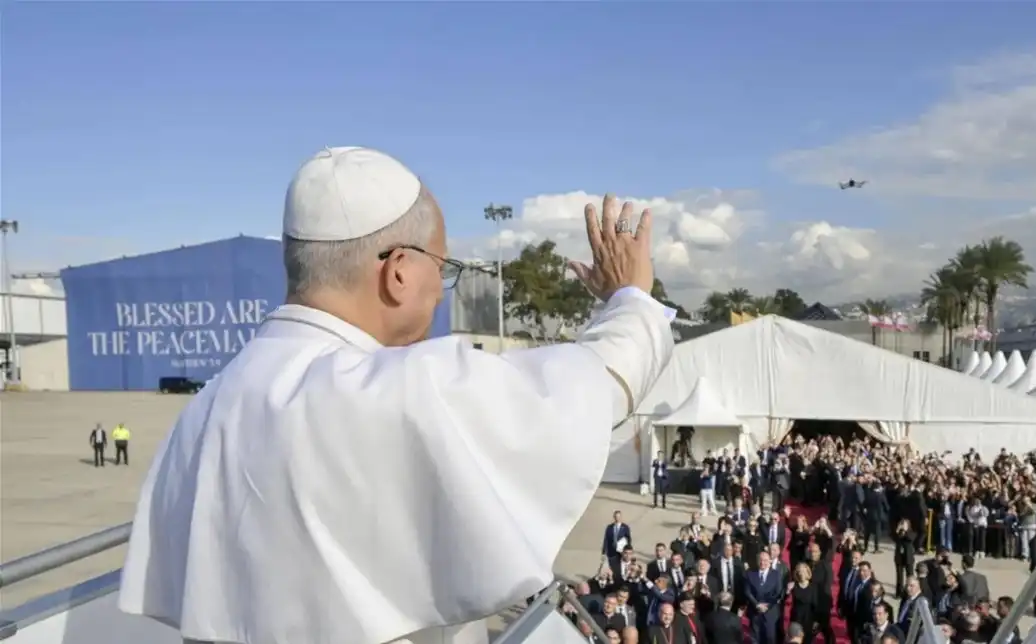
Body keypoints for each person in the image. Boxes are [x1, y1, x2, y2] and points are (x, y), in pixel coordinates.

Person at [117, 148, 675, 644]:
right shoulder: (402, 389)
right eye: (444, 267)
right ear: (400, 271)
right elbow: (597, 382)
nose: (440, 287)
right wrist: (632, 297)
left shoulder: (204, 410)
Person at [745, 551, 783, 644]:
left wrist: (767, 606)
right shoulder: (750, 573)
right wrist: (757, 604)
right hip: (755, 612)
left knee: (770, 638)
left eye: (765, 560)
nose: (762, 563)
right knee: (755, 638)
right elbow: (747, 591)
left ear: (770, 561)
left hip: (770, 612)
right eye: (760, 560)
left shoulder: (776, 574)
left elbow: (778, 593)